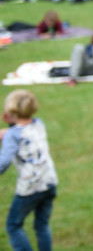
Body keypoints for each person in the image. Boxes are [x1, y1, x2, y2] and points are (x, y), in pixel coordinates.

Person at [0, 90, 58, 251]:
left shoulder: (13, 135)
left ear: (9, 112)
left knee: (13, 226)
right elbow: (23, 132)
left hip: (30, 189)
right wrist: (9, 132)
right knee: (42, 225)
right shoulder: (39, 124)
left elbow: (3, 162)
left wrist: (9, 133)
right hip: (49, 183)